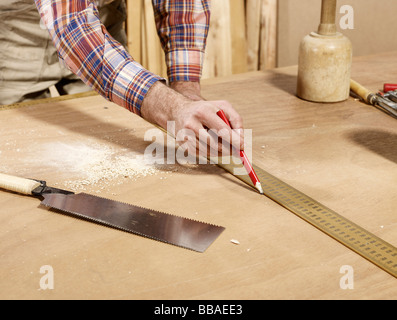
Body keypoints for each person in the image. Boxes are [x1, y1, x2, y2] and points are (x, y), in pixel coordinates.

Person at [0, 0, 244, 158]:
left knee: (112, 147)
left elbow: (182, 3)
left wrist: (186, 90)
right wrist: (172, 108)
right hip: (14, 26)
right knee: (19, 152)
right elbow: (73, 27)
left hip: (101, 16)